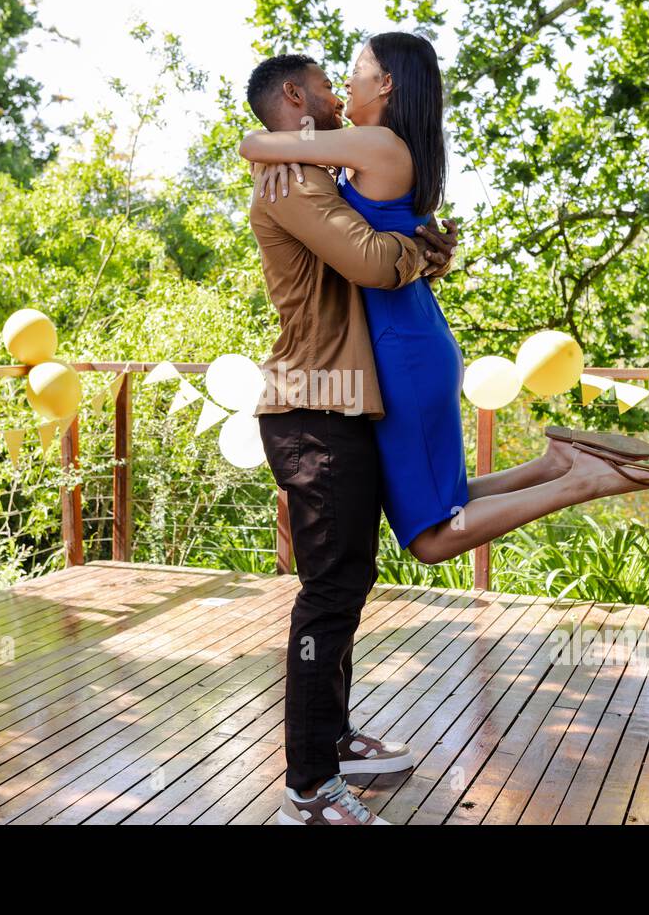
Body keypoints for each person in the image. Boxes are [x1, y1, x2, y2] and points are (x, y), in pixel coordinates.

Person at [241, 32, 649, 576]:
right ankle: (559, 463)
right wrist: (430, 254)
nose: (341, 88)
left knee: (431, 536)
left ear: (386, 83)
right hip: (405, 338)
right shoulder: (372, 150)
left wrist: (271, 152)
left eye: (352, 72)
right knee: (438, 503)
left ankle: (583, 480)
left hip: (400, 346)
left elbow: (254, 144)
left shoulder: (375, 145)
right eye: (331, 83)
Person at [244, 52, 458, 826]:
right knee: (328, 593)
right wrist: (417, 252)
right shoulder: (295, 182)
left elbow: (374, 259)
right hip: (310, 409)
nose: (340, 93)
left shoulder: (319, 176)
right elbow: (370, 263)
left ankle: (331, 738)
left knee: (348, 583)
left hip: (341, 405)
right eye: (329, 83)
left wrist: (424, 252)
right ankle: (308, 784)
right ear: (296, 97)